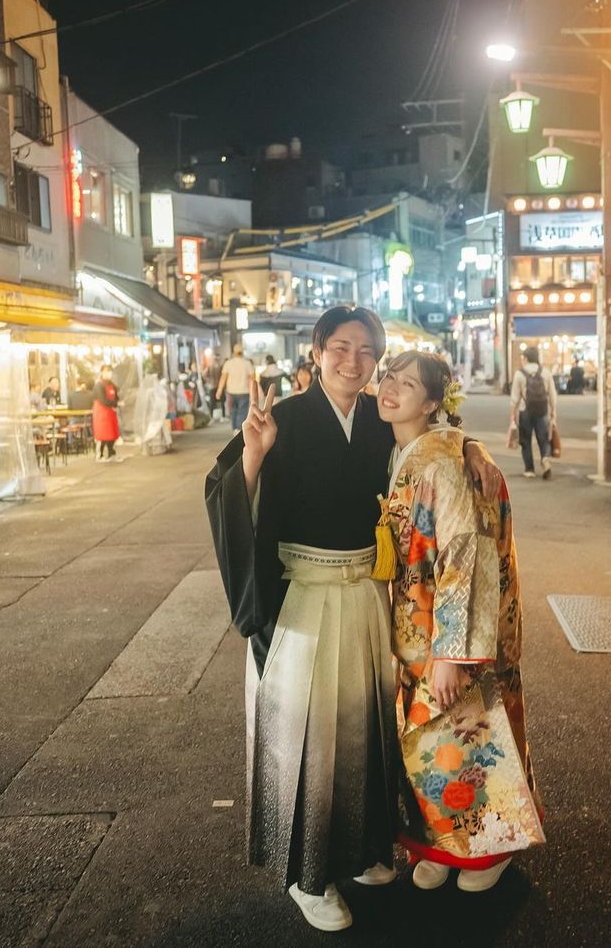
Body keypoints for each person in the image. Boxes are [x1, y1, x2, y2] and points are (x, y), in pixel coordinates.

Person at [204, 306, 501, 935]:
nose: (353, 361)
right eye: (340, 347)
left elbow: (430, 442)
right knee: (306, 736)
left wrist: (468, 448)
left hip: (366, 592)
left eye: (367, 351)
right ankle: (307, 875)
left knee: (364, 730)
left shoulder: (377, 416)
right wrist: (253, 455)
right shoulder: (282, 418)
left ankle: (362, 850)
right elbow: (223, 490)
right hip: (301, 596)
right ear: (316, 352)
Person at [376, 351, 545, 892]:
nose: (390, 388)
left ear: (432, 402)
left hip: (445, 627)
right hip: (415, 621)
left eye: (407, 384)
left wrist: (452, 652)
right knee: (432, 741)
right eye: (389, 377)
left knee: (469, 732)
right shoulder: (406, 448)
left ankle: (493, 848)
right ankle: (443, 845)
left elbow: (463, 555)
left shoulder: (443, 464)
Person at [510, 346, 557, 480]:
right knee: (544, 438)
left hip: (525, 411)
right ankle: (545, 459)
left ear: (526, 358)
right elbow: (552, 394)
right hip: (542, 410)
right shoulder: (546, 372)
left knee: (525, 440)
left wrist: (512, 414)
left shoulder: (520, 373)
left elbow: (514, 398)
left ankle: (529, 469)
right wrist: (553, 411)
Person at [215, 344, 256, 434]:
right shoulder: (247, 363)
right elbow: (252, 379)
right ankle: (239, 429)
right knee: (242, 411)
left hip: (231, 391)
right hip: (244, 391)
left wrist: (219, 390)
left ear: (233, 352)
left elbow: (223, 378)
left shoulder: (228, 363)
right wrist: (254, 391)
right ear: (242, 352)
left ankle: (234, 428)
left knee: (233, 410)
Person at [93, 365, 122, 462]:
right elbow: (103, 400)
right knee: (102, 435)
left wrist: (117, 402)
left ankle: (111, 454)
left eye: (110, 372)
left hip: (111, 412)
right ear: (102, 373)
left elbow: (116, 397)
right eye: (107, 372)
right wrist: (116, 403)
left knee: (112, 434)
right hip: (101, 413)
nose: (109, 374)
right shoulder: (98, 385)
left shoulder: (112, 385)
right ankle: (99, 455)